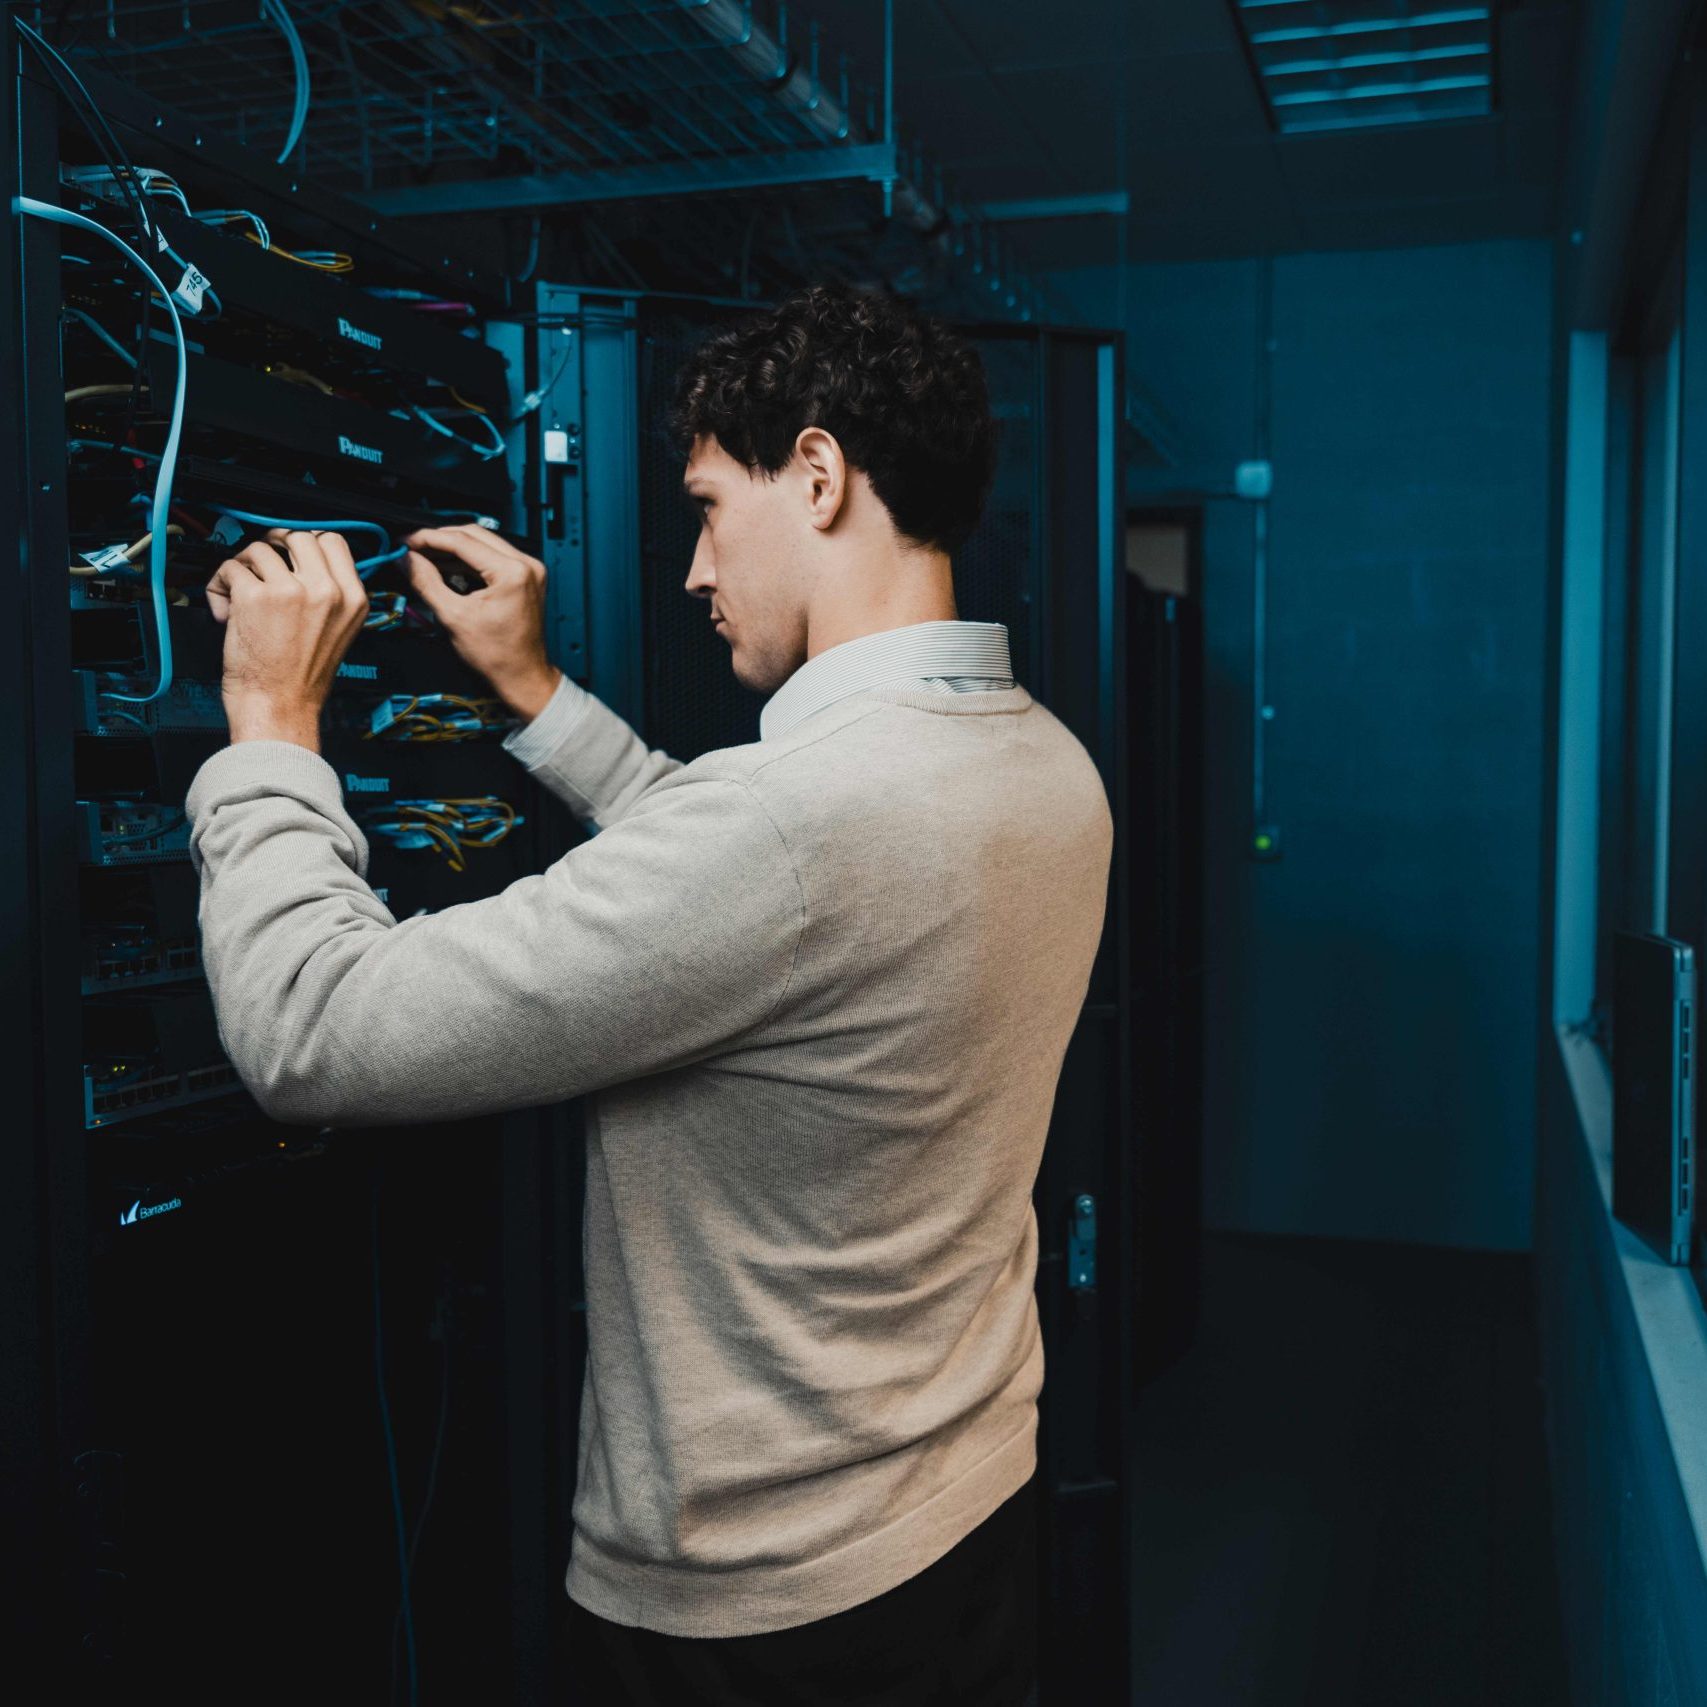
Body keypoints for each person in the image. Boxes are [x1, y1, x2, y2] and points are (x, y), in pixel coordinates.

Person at [186, 283, 1111, 1705]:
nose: (691, 571)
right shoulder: (1039, 765)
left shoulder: (793, 829)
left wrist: (270, 731)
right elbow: (772, 909)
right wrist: (537, 693)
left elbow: (312, 1029)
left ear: (816, 475)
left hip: (766, 1604)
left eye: (703, 507)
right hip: (966, 1506)